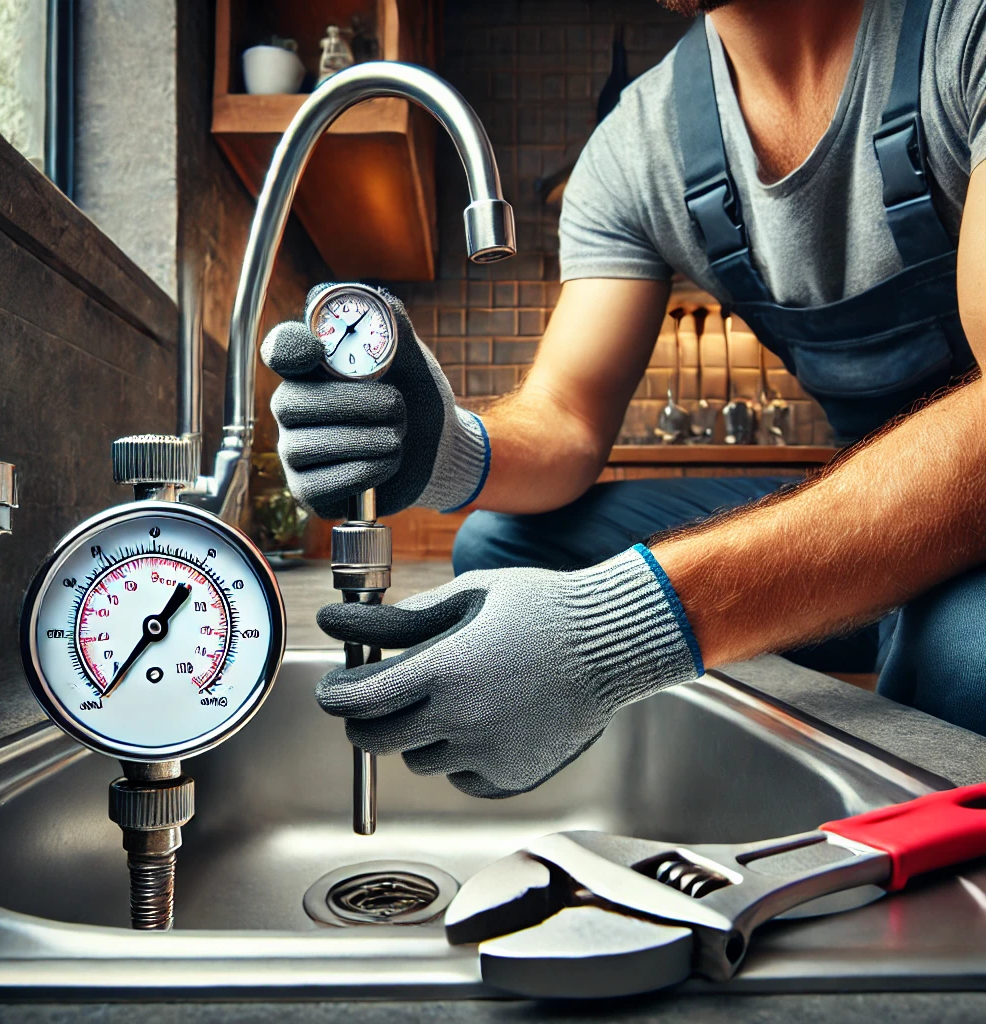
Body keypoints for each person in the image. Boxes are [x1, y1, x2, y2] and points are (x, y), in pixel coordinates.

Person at [260, 0, 986, 799]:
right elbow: (565, 419)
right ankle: (875, 614)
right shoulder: (640, 144)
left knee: (968, 651)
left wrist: (619, 631)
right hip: (864, 496)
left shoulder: (962, 32)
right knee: (503, 546)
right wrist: (448, 449)